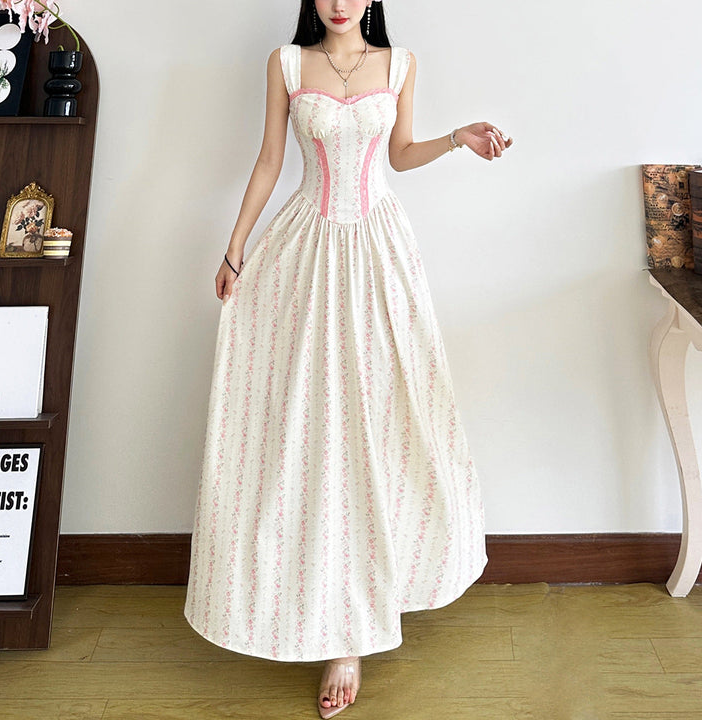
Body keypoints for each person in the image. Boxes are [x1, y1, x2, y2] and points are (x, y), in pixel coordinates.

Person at [184, 1, 513, 717]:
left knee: (384, 425)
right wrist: (234, 250)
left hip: (379, 253)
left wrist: (457, 138)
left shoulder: (400, 64)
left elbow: (399, 154)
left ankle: (358, 624)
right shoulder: (285, 63)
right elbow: (270, 161)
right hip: (305, 250)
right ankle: (321, 615)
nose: (339, 2)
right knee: (310, 432)